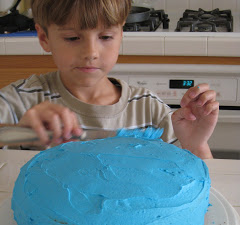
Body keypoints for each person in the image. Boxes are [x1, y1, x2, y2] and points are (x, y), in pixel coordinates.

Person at [0, 0, 219, 159]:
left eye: (105, 37)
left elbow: (198, 187)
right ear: (44, 38)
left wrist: (195, 145)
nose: (91, 52)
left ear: (121, 35)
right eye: (72, 38)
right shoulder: (19, 102)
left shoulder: (150, 111)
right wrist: (19, 133)